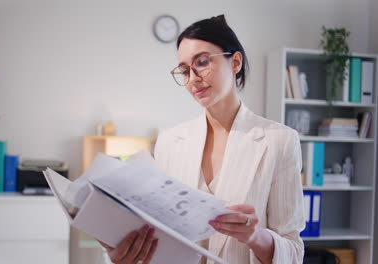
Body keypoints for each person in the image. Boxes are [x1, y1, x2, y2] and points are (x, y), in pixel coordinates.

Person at [101, 14, 305, 264]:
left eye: (202, 62)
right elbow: (160, 235)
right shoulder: (169, 142)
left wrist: (255, 236)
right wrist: (126, 251)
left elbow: (294, 252)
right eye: (185, 70)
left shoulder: (279, 141)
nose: (193, 78)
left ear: (235, 62)